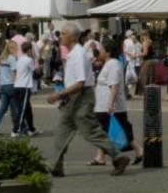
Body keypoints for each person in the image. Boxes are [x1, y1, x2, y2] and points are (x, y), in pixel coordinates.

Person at [47, 22, 130, 177]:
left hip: (81, 97)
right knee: (61, 132)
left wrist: (59, 94)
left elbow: (80, 82)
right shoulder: (74, 53)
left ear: (71, 37)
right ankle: (55, 166)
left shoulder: (78, 54)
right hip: (72, 98)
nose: (61, 37)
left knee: (91, 131)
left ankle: (118, 157)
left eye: (63, 34)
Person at [91, 39, 144, 166]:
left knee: (110, 131)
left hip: (110, 106)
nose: (100, 51)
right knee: (107, 130)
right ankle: (100, 157)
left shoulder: (113, 64)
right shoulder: (108, 63)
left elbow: (114, 85)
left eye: (102, 49)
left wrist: (110, 103)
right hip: (105, 106)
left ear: (108, 52)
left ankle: (138, 150)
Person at [13, 41, 37, 137]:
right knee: (22, 109)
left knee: (27, 109)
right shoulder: (28, 60)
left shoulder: (19, 59)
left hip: (17, 85)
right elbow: (36, 72)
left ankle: (31, 128)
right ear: (29, 50)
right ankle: (16, 130)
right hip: (25, 86)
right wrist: (36, 60)